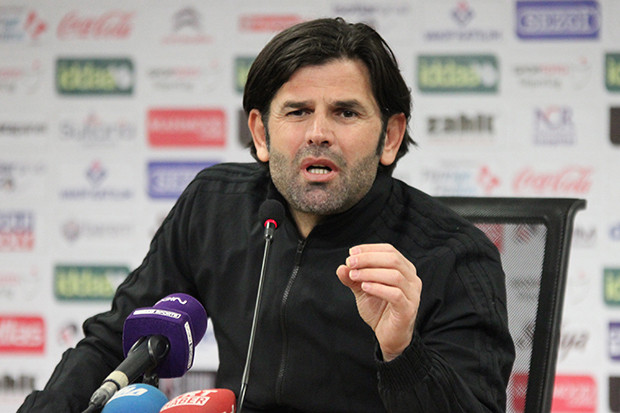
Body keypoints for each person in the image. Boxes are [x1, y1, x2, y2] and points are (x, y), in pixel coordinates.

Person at [19, 17, 514, 412]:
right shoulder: (215, 205)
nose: (318, 133)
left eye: (345, 112)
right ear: (260, 133)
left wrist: (403, 354)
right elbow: (116, 339)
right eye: (297, 112)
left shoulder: (453, 254)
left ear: (390, 136)